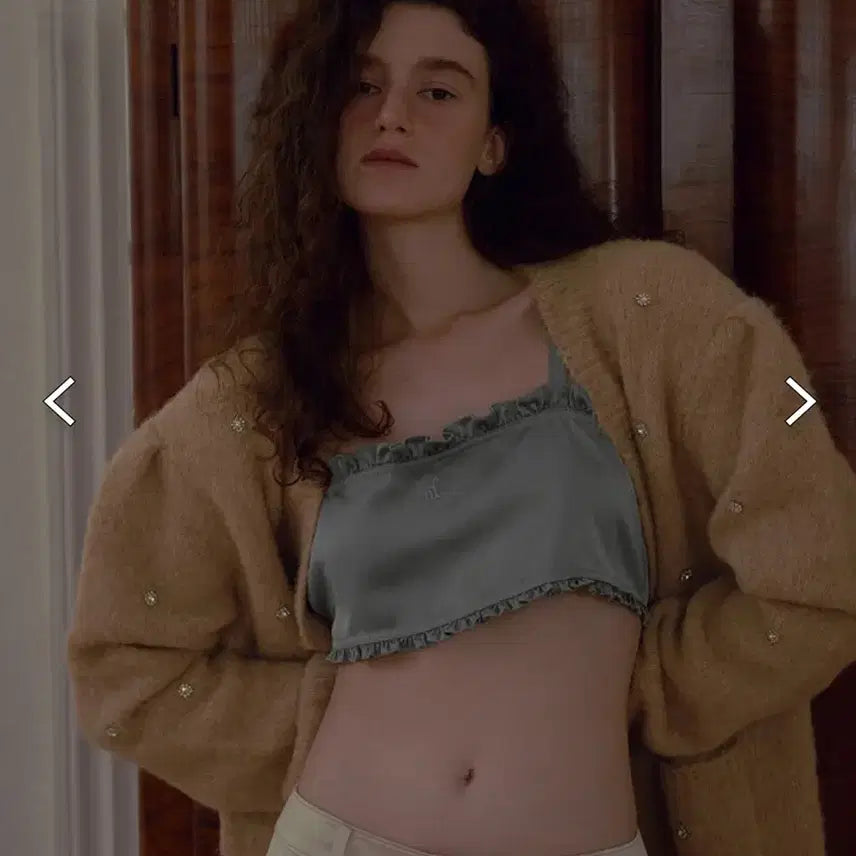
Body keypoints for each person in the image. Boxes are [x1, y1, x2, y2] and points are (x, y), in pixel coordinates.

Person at [67, 2, 856, 856]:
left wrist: (644, 685)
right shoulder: (261, 395)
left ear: (494, 143)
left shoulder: (648, 312)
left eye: (438, 91)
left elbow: (820, 576)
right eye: (362, 86)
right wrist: (325, 721)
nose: (392, 114)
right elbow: (125, 667)